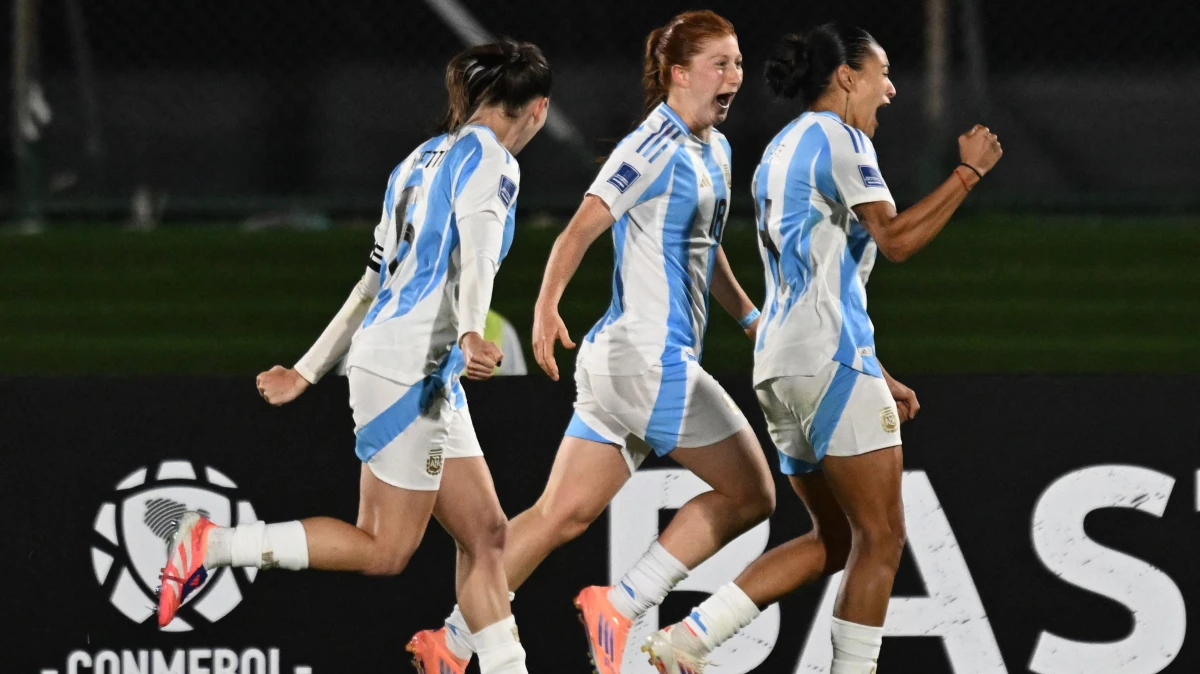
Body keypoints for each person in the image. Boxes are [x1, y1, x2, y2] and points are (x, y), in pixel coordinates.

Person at [155, 38, 554, 674]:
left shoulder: (417, 162)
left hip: (410, 365)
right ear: (536, 109)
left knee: (488, 537)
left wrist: (307, 368)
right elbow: (478, 251)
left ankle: (454, 654)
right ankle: (212, 545)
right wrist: (476, 331)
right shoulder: (495, 163)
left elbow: (373, 280)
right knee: (384, 549)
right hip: (410, 368)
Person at [407, 11, 776, 674]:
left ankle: (452, 641)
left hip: (620, 368)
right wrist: (546, 307)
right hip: (644, 360)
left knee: (559, 516)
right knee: (753, 495)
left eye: (739, 63)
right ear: (678, 73)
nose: (734, 77)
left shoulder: (713, 149)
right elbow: (578, 229)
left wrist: (751, 320)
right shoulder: (651, 145)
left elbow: (705, 249)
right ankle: (625, 600)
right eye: (720, 63)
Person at [646, 24, 1004, 674]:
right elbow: (892, 240)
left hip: (784, 369)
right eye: (880, 74)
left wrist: (876, 368)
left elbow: (816, 275)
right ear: (845, 78)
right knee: (883, 538)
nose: (891, 90)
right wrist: (967, 174)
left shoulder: (781, 148)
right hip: (830, 366)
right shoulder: (841, 137)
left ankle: (689, 638)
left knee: (836, 539)